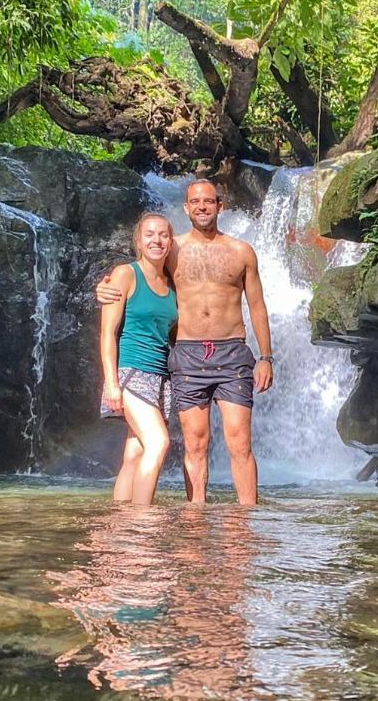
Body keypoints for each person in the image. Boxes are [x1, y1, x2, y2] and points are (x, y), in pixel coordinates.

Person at [98, 179, 273, 505]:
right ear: (186, 207)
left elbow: (257, 305)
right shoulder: (171, 249)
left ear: (220, 205)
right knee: (195, 442)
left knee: (239, 441)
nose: (202, 206)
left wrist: (266, 356)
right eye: (195, 201)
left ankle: (248, 516)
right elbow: (137, 274)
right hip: (188, 354)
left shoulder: (242, 252)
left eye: (209, 201)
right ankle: (196, 515)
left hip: (232, 351)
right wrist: (103, 288)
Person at [99, 212, 178, 505]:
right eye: (149, 234)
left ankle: (120, 523)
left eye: (163, 235)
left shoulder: (171, 283)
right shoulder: (125, 274)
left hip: (160, 376)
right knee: (158, 443)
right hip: (131, 372)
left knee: (134, 452)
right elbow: (107, 332)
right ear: (138, 241)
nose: (156, 240)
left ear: (171, 241)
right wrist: (112, 383)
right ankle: (143, 521)